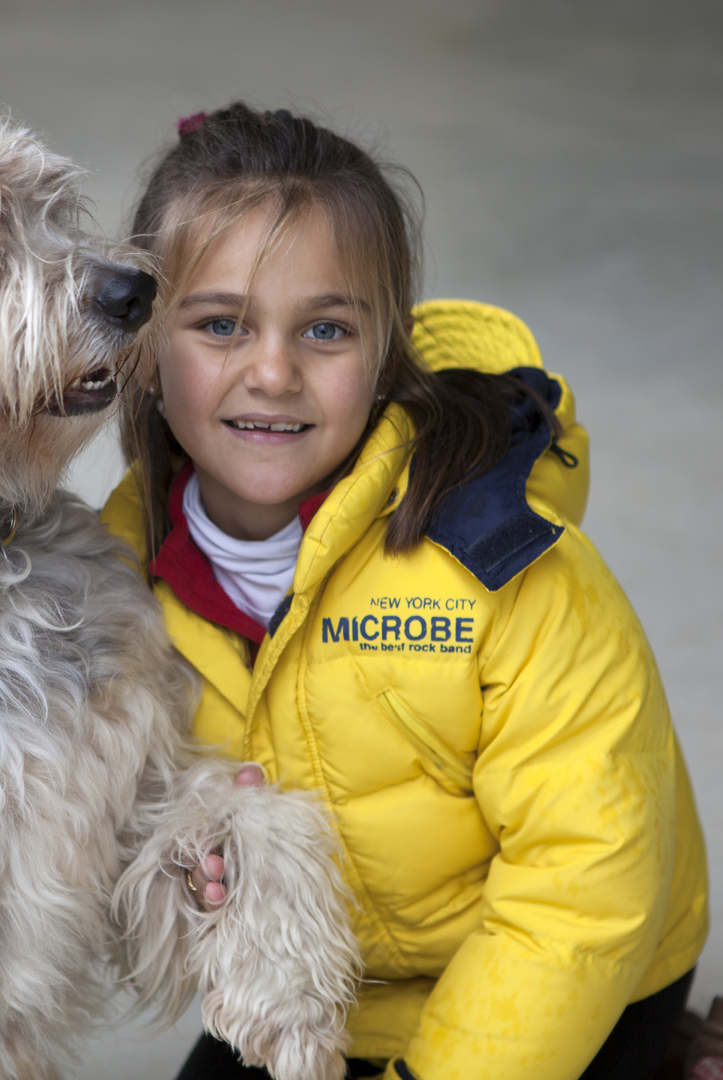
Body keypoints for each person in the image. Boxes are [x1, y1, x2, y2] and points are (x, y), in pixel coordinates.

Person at [101, 104, 708, 1080]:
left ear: (387, 353)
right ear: (140, 346)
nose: (271, 372)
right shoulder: (109, 582)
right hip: (323, 991)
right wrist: (179, 873)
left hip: (576, 970)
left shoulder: (501, 563)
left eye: (324, 330)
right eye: (219, 324)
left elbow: (580, 888)